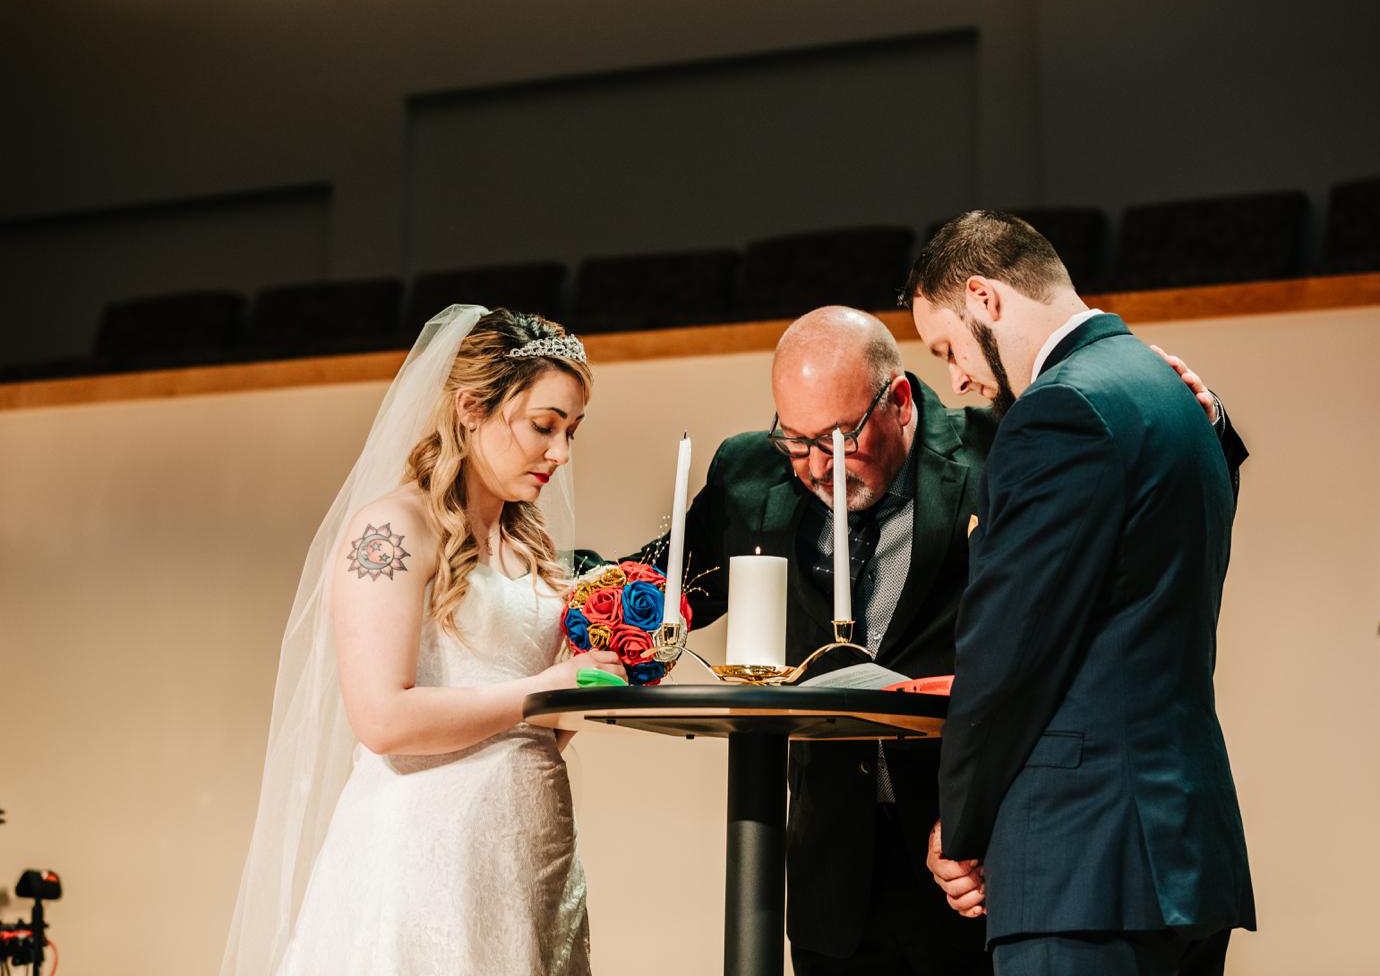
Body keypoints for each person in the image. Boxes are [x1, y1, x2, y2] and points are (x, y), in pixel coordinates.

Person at [616, 302, 1245, 975]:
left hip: (971, 861)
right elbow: (656, 591)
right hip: (837, 875)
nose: (814, 465)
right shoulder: (751, 474)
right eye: (793, 441)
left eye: (839, 438)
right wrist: (581, 596)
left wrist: (1208, 425)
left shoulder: (1002, 445)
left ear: (901, 401)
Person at [220, 305, 623, 976]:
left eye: (572, 431)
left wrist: (598, 680)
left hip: (530, 848)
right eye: (543, 426)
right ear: (471, 406)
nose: (561, 453)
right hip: (427, 854)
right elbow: (381, 718)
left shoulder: (532, 545)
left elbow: (533, 717)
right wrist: (540, 692)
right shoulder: (392, 530)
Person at [906, 210, 1256, 976]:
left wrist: (959, 831)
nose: (957, 378)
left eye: (947, 348)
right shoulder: (1174, 393)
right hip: (1183, 850)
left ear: (985, 297)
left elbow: (1008, 652)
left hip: (1085, 861)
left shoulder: (1057, 414)